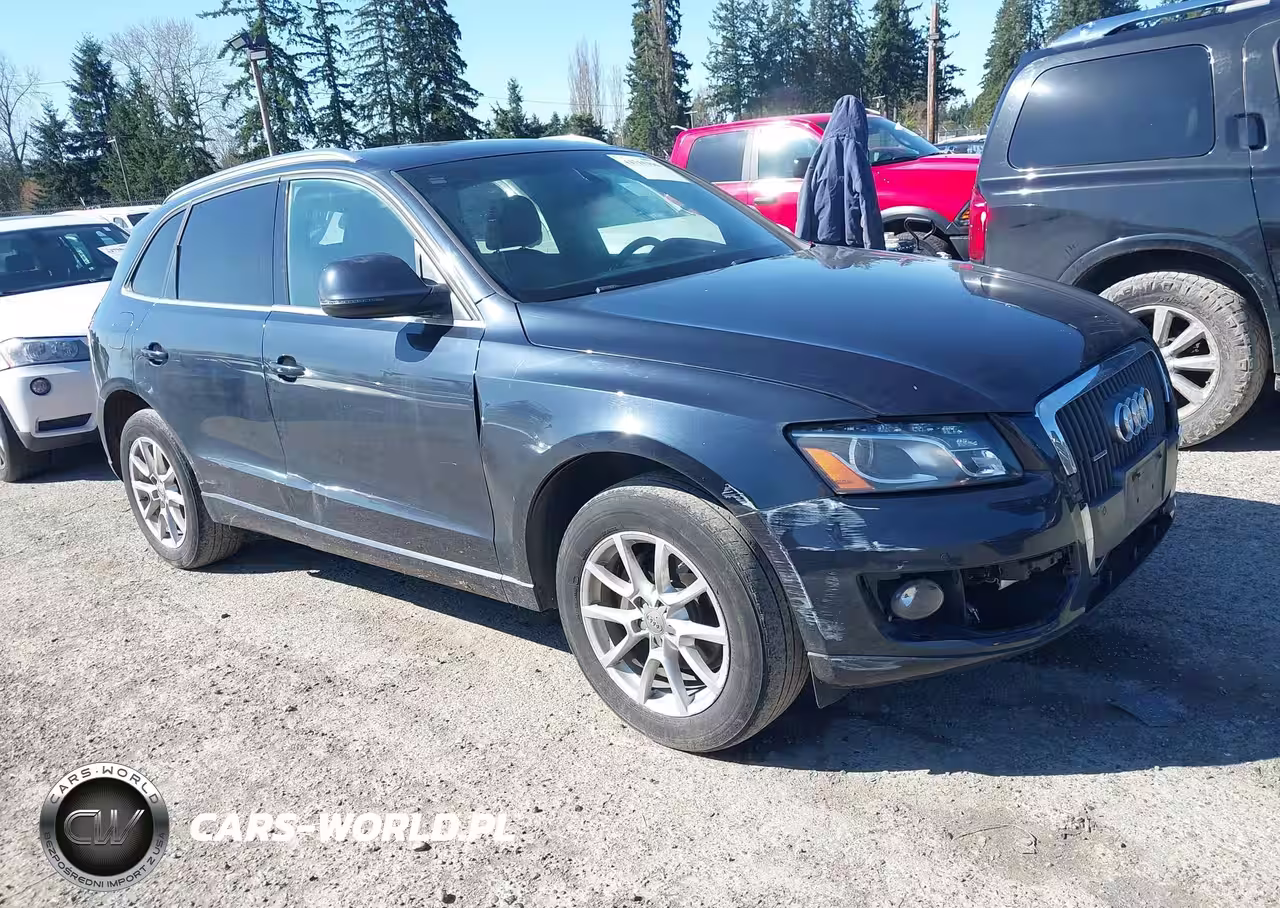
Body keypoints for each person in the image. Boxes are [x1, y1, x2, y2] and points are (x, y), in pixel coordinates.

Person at [796, 96, 885, 250]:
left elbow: (805, 198)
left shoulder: (820, 152)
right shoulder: (856, 150)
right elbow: (867, 202)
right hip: (852, 242)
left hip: (822, 238)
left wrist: (801, 243)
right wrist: (877, 250)